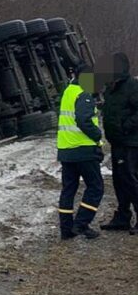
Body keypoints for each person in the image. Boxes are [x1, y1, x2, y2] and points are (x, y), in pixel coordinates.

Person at [57, 64, 104, 240]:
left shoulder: (69, 91)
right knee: (96, 187)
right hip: (83, 150)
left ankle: (66, 229)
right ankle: (81, 224)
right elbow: (83, 120)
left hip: (66, 150)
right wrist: (98, 136)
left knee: (68, 189)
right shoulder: (84, 94)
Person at [101, 52, 138, 234]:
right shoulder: (111, 88)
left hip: (130, 142)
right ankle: (122, 217)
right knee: (119, 180)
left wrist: (126, 126)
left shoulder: (132, 86)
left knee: (130, 179)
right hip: (116, 141)